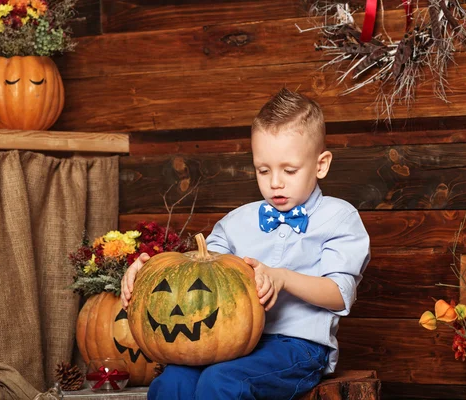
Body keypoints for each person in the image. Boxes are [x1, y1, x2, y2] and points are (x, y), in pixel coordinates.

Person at [120, 88, 370, 400]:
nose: (275, 182)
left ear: (321, 165)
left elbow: (339, 295)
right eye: (263, 170)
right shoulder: (237, 222)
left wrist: (282, 278)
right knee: (175, 380)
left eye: (289, 170)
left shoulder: (338, 217)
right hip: (231, 340)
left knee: (222, 381)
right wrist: (148, 274)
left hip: (298, 347)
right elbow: (198, 273)